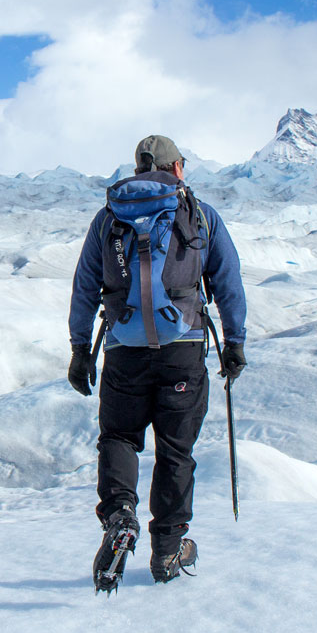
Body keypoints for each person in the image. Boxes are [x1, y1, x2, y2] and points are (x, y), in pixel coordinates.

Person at [67, 134, 246, 591]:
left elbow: (86, 286)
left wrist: (79, 349)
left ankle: (120, 513)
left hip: (124, 351)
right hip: (183, 351)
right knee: (175, 451)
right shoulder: (201, 215)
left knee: (119, 437)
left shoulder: (109, 217)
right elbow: (227, 281)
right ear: (177, 168)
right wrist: (234, 342)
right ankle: (166, 550)